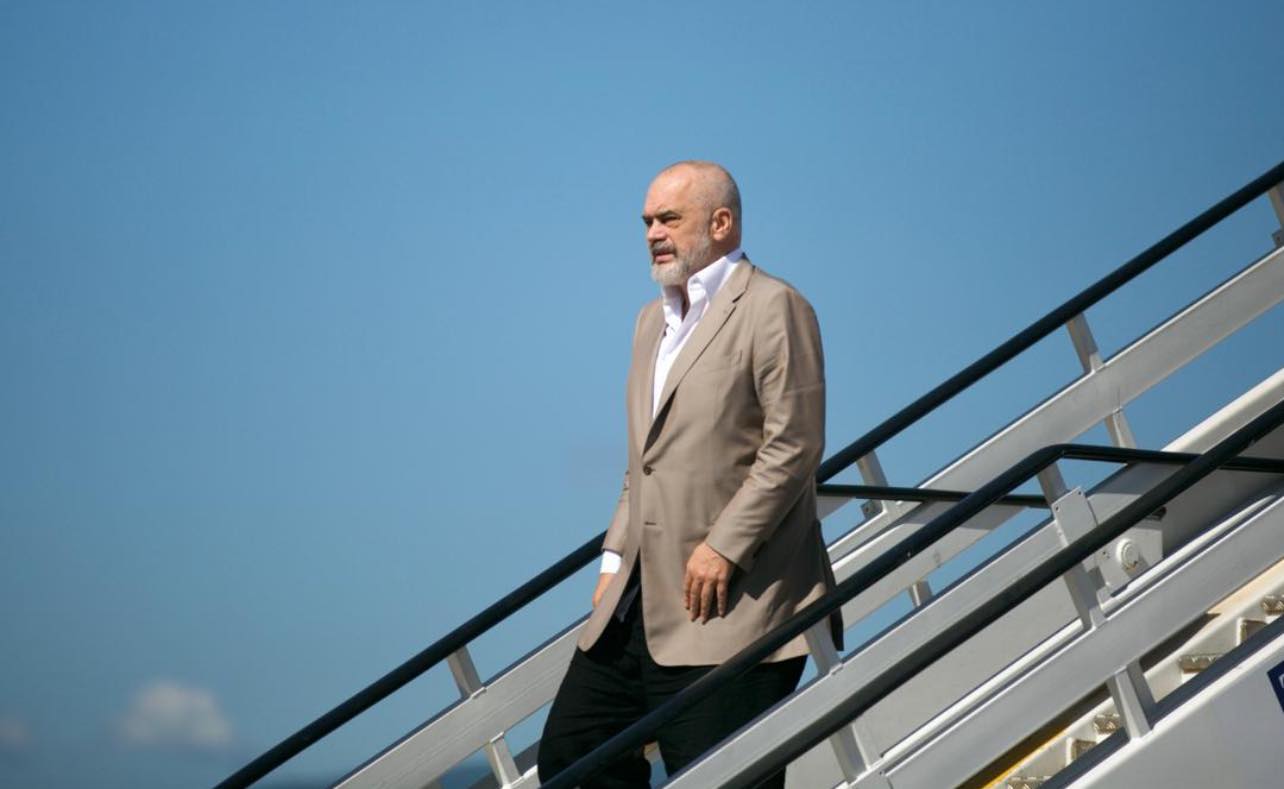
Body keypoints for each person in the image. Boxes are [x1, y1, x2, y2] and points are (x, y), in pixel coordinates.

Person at [537, 161, 841, 788]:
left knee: (720, 779)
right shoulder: (649, 322)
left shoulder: (774, 306)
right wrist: (613, 559)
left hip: (736, 606)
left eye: (669, 218)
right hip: (635, 604)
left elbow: (795, 444)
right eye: (647, 221)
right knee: (572, 759)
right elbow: (644, 460)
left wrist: (725, 547)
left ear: (721, 223)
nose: (653, 232)